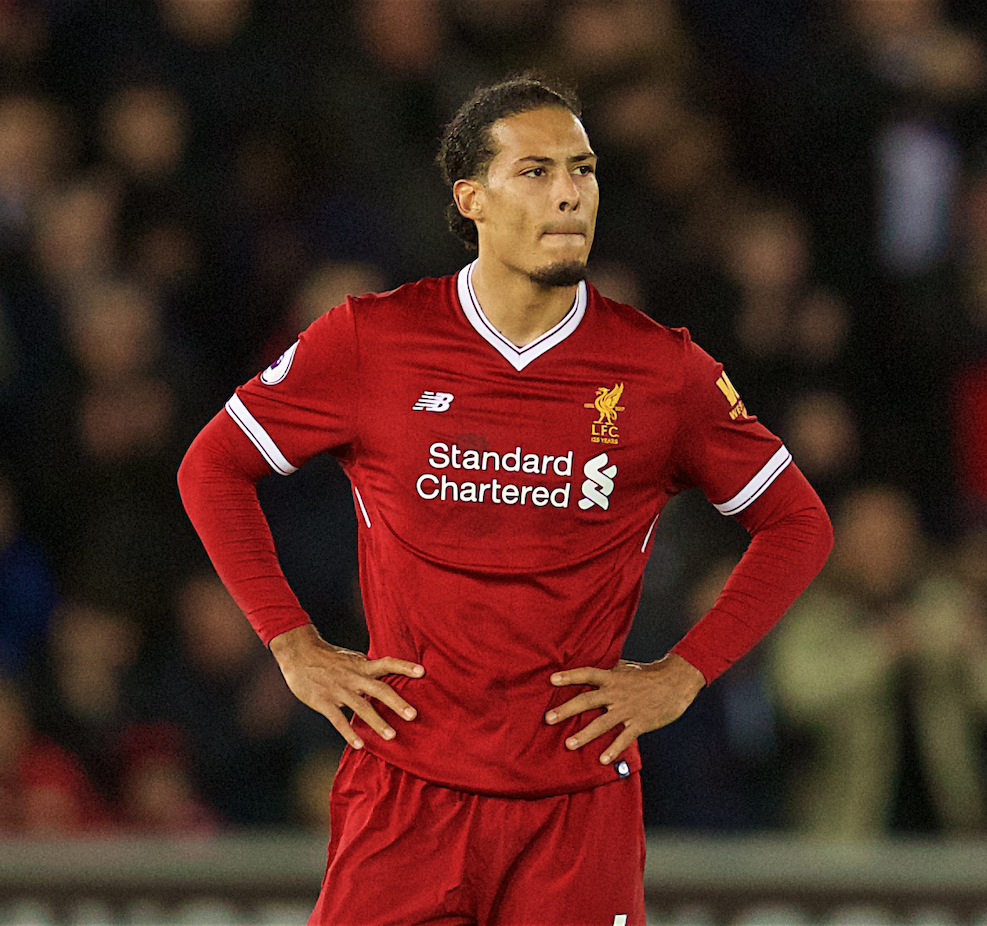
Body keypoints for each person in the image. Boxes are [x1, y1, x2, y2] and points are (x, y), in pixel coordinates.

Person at [178, 75, 833, 926]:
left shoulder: (662, 372)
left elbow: (798, 523)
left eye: (584, 169)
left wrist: (683, 674)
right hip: (406, 794)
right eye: (536, 170)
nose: (569, 191)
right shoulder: (373, 341)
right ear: (471, 198)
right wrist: (291, 643)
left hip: (575, 804)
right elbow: (212, 467)